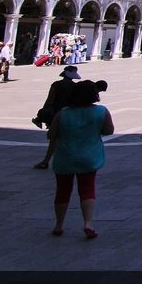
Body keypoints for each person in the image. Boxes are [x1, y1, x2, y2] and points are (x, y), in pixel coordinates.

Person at [49, 79, 115, 237]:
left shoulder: (63, 113)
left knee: (62, 190)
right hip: (89, 156)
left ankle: (59, 225)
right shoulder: (101, 111)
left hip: (65, 156)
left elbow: (51, 135)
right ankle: (88, 223)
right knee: (87, 189)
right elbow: (108, 131)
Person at [33, 65, 82, 168]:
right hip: (70, 114)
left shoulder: (56, 84)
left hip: (56, 113)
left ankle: (46, 161)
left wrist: (42, 113)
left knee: (54, 139)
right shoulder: (75, 86)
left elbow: (49, 100)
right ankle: (69, 160)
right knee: (68, 138)